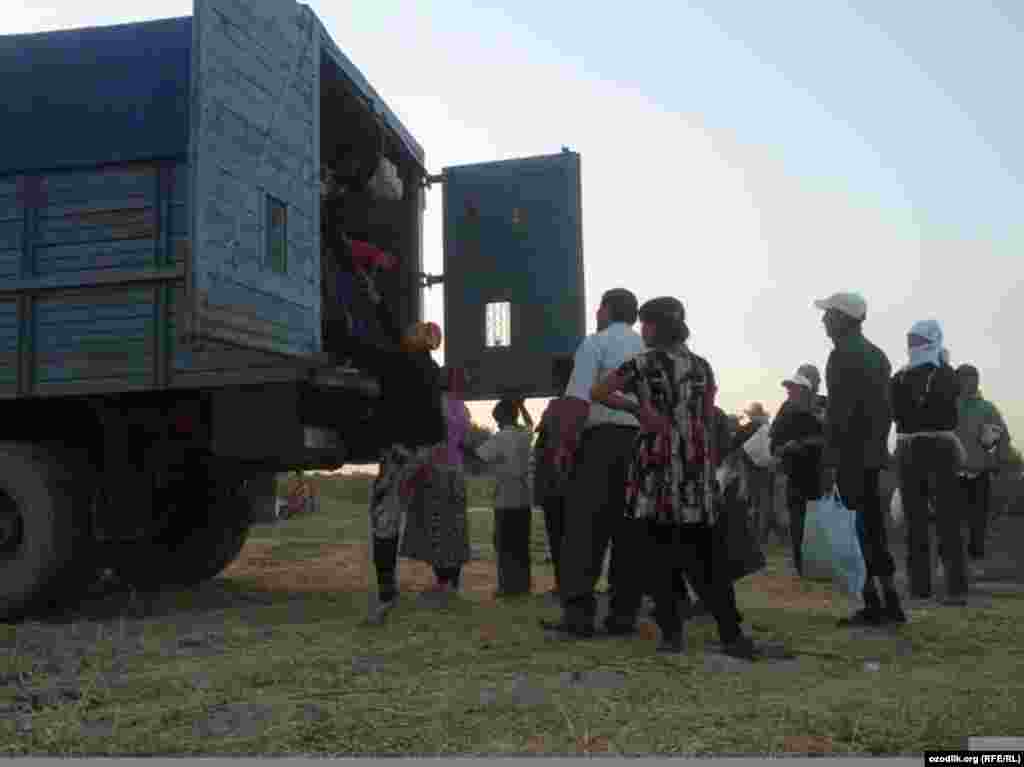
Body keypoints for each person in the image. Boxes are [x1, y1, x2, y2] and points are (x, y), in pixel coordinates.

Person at [590, 297, 760, 659]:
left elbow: (598, 392)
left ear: (654, 327)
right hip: (696, 471)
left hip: (656, 469)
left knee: (658, 553)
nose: (642, 331)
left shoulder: (642, 364)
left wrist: (638, 408)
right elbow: (710, 414)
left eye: (645, 325)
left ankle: (672, 634)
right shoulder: (703, 367)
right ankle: (731, 632)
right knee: (708, 557)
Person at [541, 289, 646, 640]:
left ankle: (578, 618)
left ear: (605, 311)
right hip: (642, 445)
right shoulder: (647, 348)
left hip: (601, 442)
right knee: (631, 531)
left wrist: (563, 448)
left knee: (584, 529)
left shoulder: (594, 343)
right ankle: (622, 616)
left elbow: (576, 401)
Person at [815, 291, 905, 627]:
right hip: (874, 456)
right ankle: (891, 600)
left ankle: (871, 604)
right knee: (875, 530)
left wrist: (829, 461)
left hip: (850, 457)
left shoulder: (841, 356)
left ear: (842, 318)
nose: (823, 321)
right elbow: (885, 412)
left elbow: (839, 414)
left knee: (855, 533)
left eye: (828, 315)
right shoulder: (878, 356)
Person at [890, 320, 966, 605]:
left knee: (919, 520)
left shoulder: (900, 377)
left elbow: (898, 415)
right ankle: (953, 586)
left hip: (911, 448)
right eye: (912, 340)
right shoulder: (945, 373)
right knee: (943, 519)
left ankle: (922, 585)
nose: (912, 345)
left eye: (916, 340)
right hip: (939, 448)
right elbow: (949, 411)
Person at [399, 367, 474, 600]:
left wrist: (412, 473)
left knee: (437, 529)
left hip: (435, 472)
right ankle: (452, 583)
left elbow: (430, 441)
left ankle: (443, 584)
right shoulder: (462, 409)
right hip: (456, 473)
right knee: (455, 529)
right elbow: (462, 442)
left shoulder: (437, 405)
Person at [476, 398, 535, 597]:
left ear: (500, 417)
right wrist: (521, 405)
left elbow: (479, 455)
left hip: (505, 499)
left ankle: (507, 587)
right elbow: (530, 424)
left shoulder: (501, 437)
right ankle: (523, 585)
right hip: (524, 498)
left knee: (504, 545)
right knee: (521, 545)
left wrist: (459, 444)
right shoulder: (524, 435)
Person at [770, 370, 826, 576]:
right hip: (795, 472)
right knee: (798, 520)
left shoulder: (824, 404)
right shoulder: (786, 408)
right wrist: (786, 447)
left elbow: (836, 436)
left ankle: (820, 562)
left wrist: (807, 442)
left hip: (821, 473)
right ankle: (802, 564)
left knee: (819, 519)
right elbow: (774, 442)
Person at [954, 363, 1012, 562]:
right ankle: (954, 562)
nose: (969, 382)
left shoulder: (987, 408)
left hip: (980, 473)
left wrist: (999, 461)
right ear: (957, 381)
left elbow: (1002, 439)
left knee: (978, 521)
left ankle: (976, 559)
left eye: (973, 378)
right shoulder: (947, 407)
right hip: (951, 474)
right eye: (965, 378)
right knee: (952, 521)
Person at [531, 355, 577, 599]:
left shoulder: (554, 408)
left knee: (558, 537)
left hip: (555, 482)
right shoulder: (584, 404)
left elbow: (541, 445)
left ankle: (565, 585)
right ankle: (574, 584)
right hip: (576, 483)